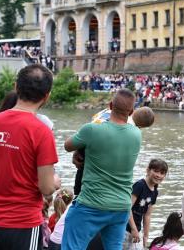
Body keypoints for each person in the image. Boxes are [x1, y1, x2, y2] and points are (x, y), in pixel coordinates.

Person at [0, 64, 59, 250]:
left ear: (16, 87)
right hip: (23, 223)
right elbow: (47, 188)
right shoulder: (41, 131)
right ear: (46, 96)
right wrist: (56, 180)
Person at [62, 89, 142, 250]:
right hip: (120, 207)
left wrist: (80, 151)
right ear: (132, 112)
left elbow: (67, 145)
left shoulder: (92, 129)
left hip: (91, 204)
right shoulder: (136, 134)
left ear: (110, 105)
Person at [126, 159, 168, 249]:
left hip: (137, 230)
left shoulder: (155, 192)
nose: (158, 175)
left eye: (162, 173)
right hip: (125, 228)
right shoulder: (140, 185)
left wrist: (145, 236)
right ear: (148, 170)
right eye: (156, 171)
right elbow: (127, 208)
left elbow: (147, 215)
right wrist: (133, 229)